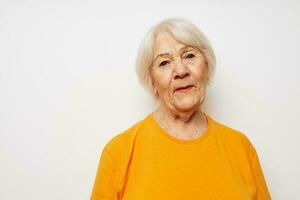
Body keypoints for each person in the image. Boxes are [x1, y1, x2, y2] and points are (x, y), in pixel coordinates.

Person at [90, 18, 271, 200]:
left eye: (189, 56)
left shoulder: (241, 148)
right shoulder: (118, 153)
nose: (181, 70)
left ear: (206, 66)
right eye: (164, 62)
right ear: (151, 80)